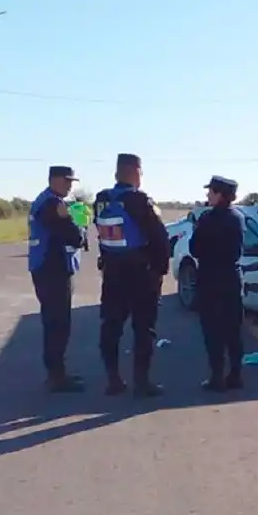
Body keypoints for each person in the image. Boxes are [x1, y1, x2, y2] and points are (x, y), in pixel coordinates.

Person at [94, 153, 170, 397]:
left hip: (112, 272)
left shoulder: (101, 199)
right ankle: (142, 382)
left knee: (111, 326)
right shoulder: (139, 200)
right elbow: (160, 238)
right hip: (140, 275)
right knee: (143, 328)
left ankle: (113, 379)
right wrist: (160, 270)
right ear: (136, 172)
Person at [28, 166, 86, 393]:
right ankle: (56, 376)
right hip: (52, 270)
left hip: (47, 268)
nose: (70, 185)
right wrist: (74, 223)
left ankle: (57, 372)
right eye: (66, 180)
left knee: (55, 322)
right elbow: (72, 236)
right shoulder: (52, 204)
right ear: (54, 180)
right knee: (57, 323)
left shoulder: (47, 201)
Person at [191, 175, 246, 392]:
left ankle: (217, 377)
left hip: (210, 279)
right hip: (232, 278)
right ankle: (235, 374)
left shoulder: (207, 219)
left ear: (220, 194)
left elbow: (195, 249)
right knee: (233, 329)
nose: (208, 195)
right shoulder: (238, 217)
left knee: (212, 331)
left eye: (211, 192)